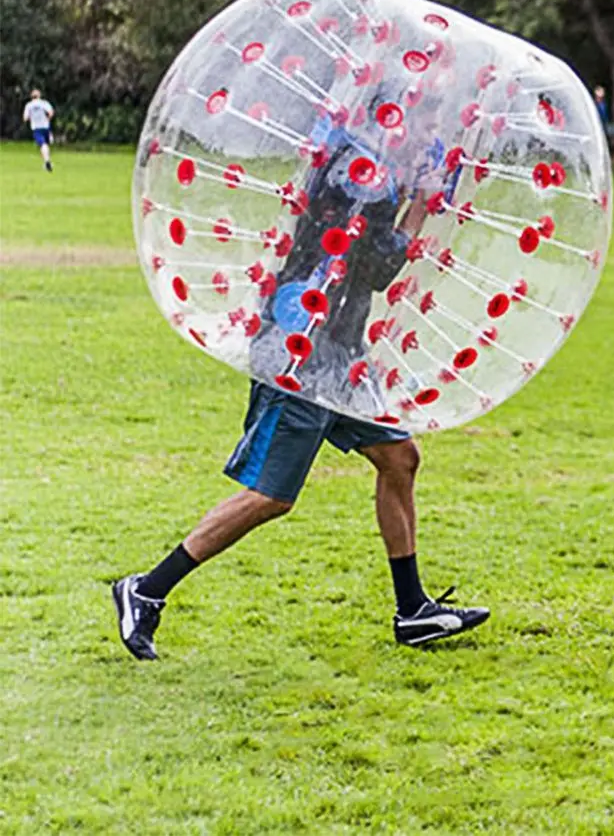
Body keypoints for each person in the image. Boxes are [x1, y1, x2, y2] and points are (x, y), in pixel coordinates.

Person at [112, 136, 491, 660]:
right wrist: (424, 203)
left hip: (339, 349)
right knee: (272, 495)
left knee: (399, 457)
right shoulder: (359, 172)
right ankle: (146, 590)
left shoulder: (368, 157)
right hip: (301, 348)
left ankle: (413, 611)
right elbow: (380, 266)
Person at [22, 89, 55, 171]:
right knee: (45, 145)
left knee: (42, 145)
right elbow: (51, 112)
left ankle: (47, 161)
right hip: (45, 126)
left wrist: (32, 118)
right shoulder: (44, 103)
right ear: (39, 95)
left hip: (36, 128)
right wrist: (47, 119)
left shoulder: (29, 105)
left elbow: (25, 118)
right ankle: (47, 162)